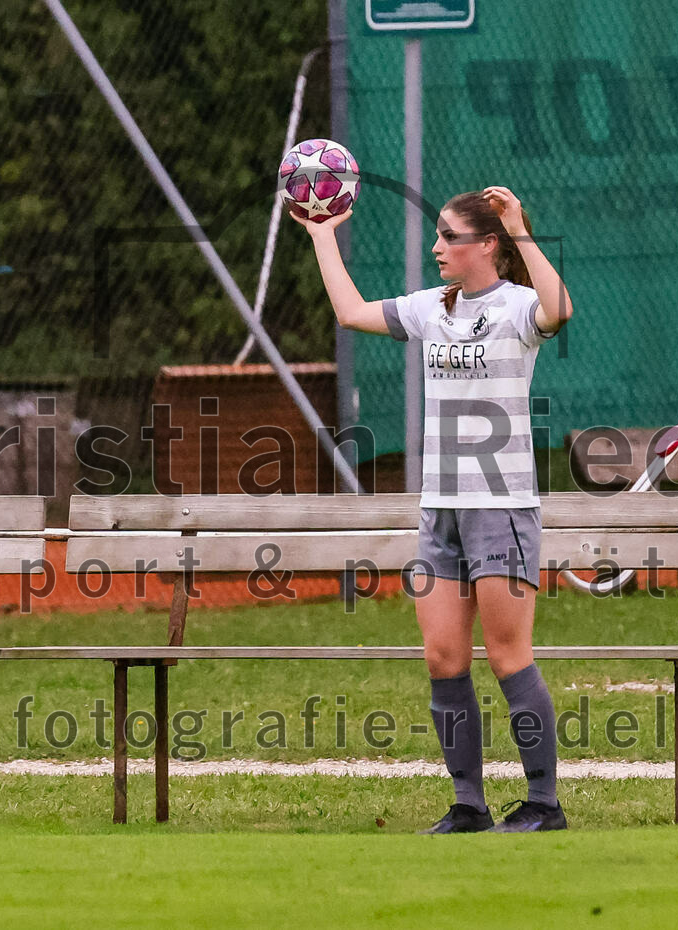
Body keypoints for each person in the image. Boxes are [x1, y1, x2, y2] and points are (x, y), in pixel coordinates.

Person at [291, 186, 573, 833]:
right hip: (440, 510)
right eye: (438, 236)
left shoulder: (517, 307)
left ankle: (543, 804)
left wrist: (523, 228)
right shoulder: (432, 308)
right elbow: (353, 312)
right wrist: (320, 233)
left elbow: (560, 310)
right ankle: (469, 806)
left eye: (448, 237)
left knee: (508, 656)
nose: (437, 247)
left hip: (500, 507)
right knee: (444, 658)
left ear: (487, 246)